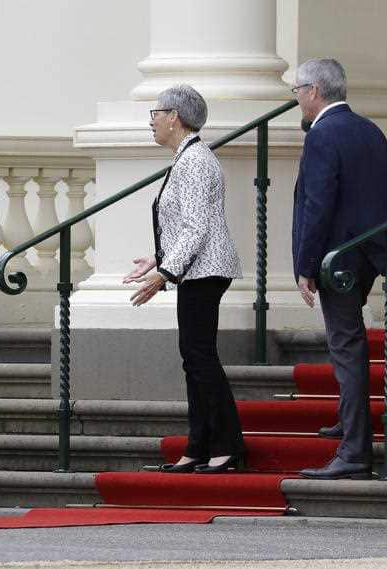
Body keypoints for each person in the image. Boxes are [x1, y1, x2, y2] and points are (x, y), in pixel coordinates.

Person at [124, 84, 245, 474]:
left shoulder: (194, 160)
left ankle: (226, 445)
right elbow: (188, 225)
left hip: (204, 270)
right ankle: (199, 445)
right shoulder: (189, 157)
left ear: (174, 117)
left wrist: (164, 273)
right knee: (194, 359)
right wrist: (158, 259)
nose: (152, 122)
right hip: (196, 269)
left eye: (155, 114)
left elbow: (196, 229)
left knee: (200, 358)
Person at [291, 58, 387, 480]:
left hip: (337, 260)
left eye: (298, 89)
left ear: (314, 90)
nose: (296, 97)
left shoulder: (322, 135)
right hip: (367, 254)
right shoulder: (370, 130)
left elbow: (318, 205)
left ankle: (354, 450)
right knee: (349, 344)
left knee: (347, 348)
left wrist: (306, 264)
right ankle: (347, 421)